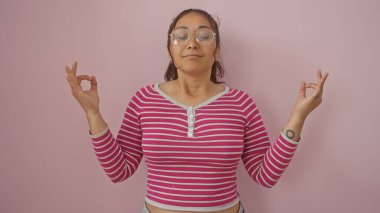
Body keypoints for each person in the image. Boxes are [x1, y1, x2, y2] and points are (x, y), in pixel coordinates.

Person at [65, 8, 328, 213]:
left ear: (217, 50)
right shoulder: (143, 99)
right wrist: (92, 114)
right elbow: (119, 170)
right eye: (181, 36)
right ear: (170, 49)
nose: (192, 43)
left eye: (204, 36)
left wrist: (298, 116)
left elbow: (265, 175)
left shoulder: (242, 103)